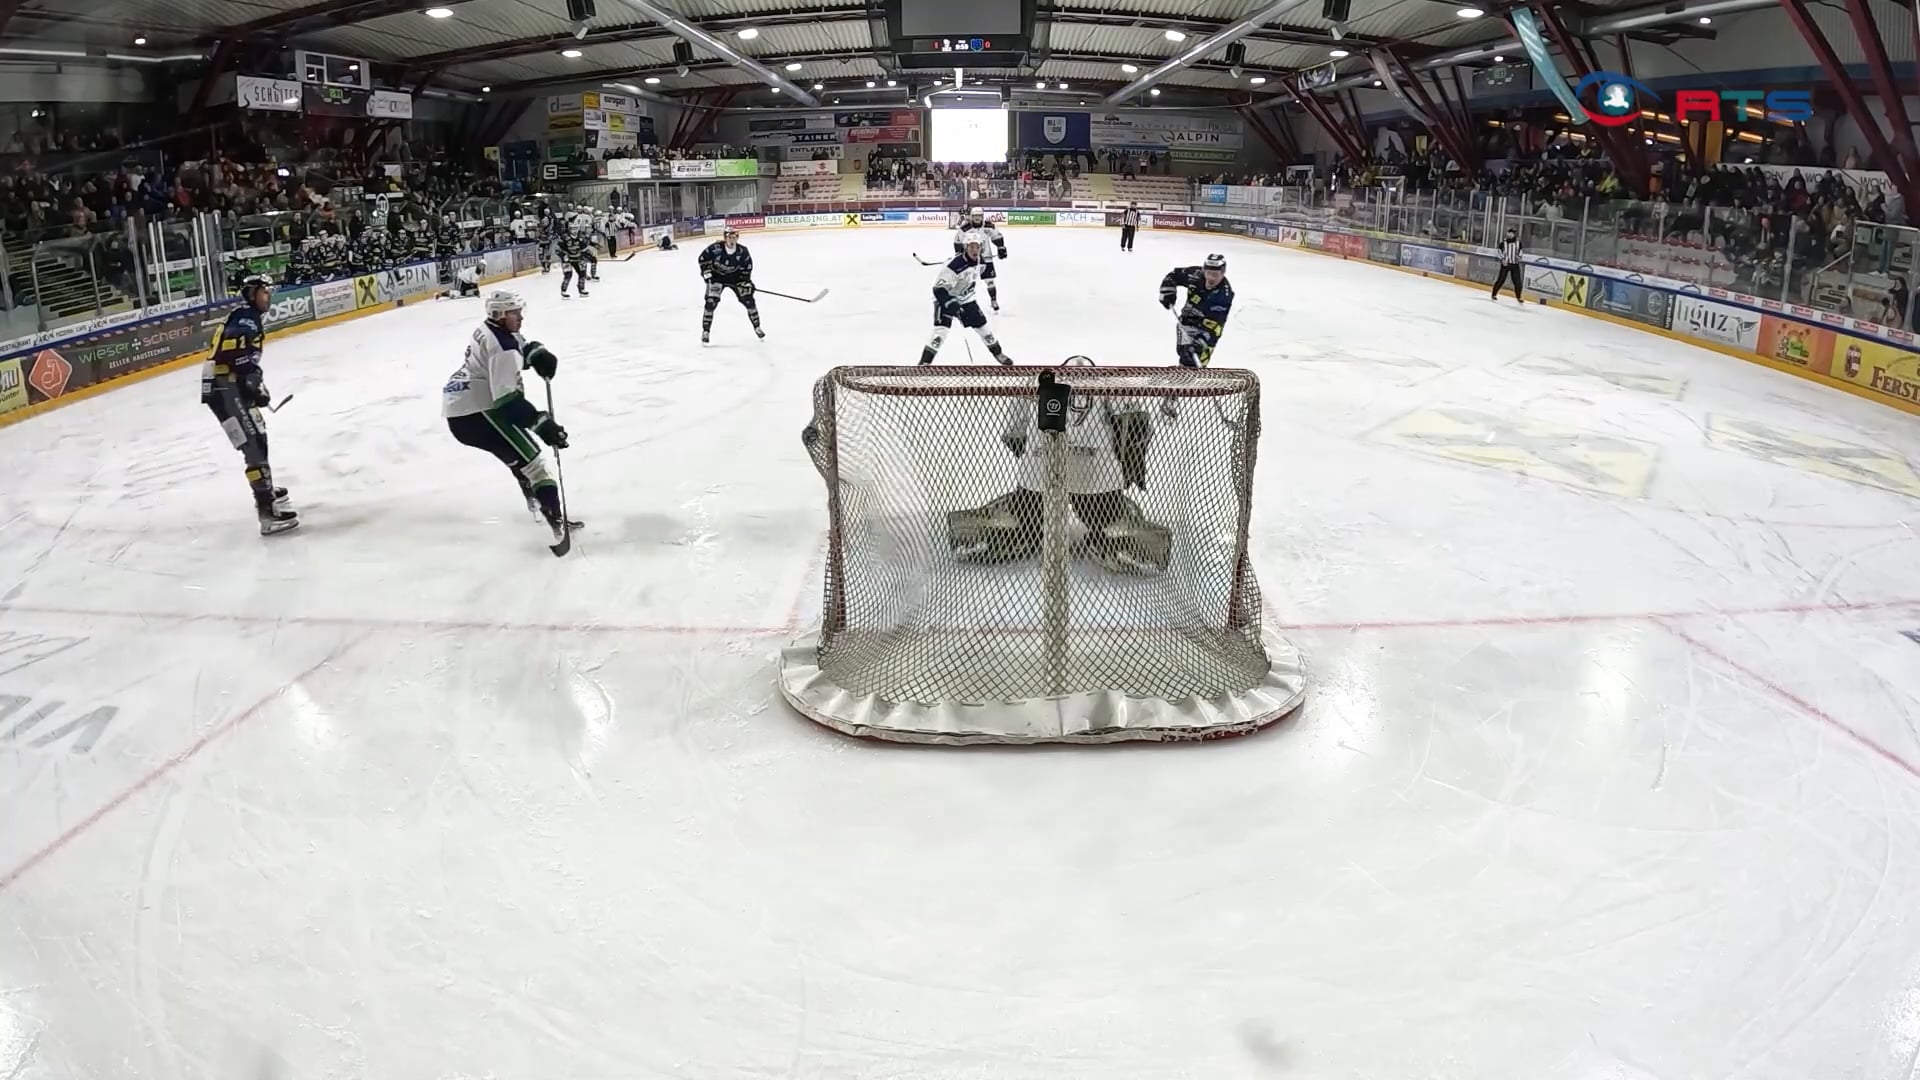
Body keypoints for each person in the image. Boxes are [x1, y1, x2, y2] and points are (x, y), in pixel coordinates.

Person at [943, 355, 1168, 575]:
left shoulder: (1033, 381)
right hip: (1097, 474)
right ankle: (1115, 537)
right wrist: (1128, 465)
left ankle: (1017, 534)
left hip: (1040, 469)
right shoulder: (1112, 383)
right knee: (1107, 515)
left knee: (1025, 513)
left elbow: (1012, 431)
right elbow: (1136, 427)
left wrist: (1031, 453)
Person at [441, 290, 581, 552]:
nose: (521, 317)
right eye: (515, 313)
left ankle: (537, 506)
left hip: (463, 407)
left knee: (522, 460)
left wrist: (536, 353)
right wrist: (542, 424)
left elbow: (519, 346)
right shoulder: (501, 347)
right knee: (536, 465)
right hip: (477, 411)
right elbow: (507, 402)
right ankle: (555, 524)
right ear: (500, 314)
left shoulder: (494, 328)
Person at [202, 274, 297, 535]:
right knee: (252, 444)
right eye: (264, 291)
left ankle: (265, 489)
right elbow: (233, 352)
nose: (268, 296)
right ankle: (266, 511)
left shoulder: (247, 314)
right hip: (224, 386)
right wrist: (252, 380)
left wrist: (253, 383)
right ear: (252, 293)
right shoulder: (247, 317)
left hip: (230, 384)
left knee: (259, 434)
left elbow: (241, 357)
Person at [921, 236, 1011, 365]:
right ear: (965, 247)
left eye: (977, 247)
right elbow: (938, 289)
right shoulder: (954, 265)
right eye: (971, 247)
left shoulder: (981, 261)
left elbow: (987, 276)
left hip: (967, 299)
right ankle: (925, 362)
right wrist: (949, 302)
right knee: (941, 331)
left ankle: (998, 354)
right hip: (946, 298)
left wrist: (1001, 251)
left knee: (983, 327)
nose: (975, 250)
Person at [1159, 253, 1234, 368]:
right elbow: (1173, 276)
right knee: (1184, 353)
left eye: (1215, 275)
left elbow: (1214, 325)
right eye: (1208, 273)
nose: (1210, 279)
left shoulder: (1223, 296)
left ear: (1223, 272)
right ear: (1203, 270)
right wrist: (1168, 290)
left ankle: (1189, 376)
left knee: (1196, 360)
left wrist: (1200, 342)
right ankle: (1183, 372)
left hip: (1207, 329)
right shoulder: (1195, 275)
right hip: (1186, 322)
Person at [698, 226, 763, 343]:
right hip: (717, 277)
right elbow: (703, 259)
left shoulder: (743, 251)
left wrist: (746, 282)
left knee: (749, 300)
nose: (732, 240)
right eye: (729, 237)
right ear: (725, 238)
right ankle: (706, 331)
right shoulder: (715, 248)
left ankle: (757, 327)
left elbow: (747, 267)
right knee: (711, 302)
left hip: (736, 278)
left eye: (734, 237)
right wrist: (706, 272)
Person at [558, 224, 591, 299]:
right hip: (568, 260)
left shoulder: (581, 237)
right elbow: (558, 249)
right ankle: (563, 291)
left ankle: (581, 289)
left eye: (575, 228)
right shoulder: (564, 237)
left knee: (582, 273)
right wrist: (564, 256)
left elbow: (584, 248)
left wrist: (586, 255)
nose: (574, 230)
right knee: (568, 275)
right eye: (572, 229)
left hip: (578, 258)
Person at [1492, 227, 1524, 303]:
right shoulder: (1503, 243)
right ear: (1507, 233)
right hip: (1505, 264)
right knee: (1501, 280)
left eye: (1513, 233)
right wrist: (1502, 259)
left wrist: (1519, 257)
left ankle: (1519, 297)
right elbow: (1499, 251)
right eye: (1510, 232)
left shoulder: (1518, 243)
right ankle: (1494, 294)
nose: (1511, 234)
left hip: (1515, 265)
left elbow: (1520, 251)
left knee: (1517, 282)